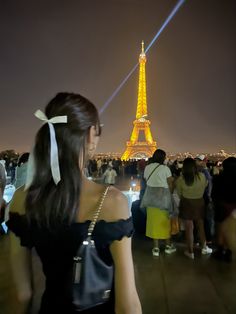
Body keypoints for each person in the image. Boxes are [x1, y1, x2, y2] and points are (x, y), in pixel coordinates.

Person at [7, 93, 142, 314]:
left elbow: (22, 294)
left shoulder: (21, 199)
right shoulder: (112, 202)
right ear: (90, 134)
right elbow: (128, 305)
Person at [176, 158, 212, 259]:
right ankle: (204, 247)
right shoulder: (201, 176)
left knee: (189, 228)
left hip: (186, 203)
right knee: (201, 226)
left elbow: (179, 193)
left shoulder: (181, 180)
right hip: (199, 203)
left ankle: (190, 251)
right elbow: (205, 186)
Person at [143, 149, 176, 257]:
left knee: (153, 222)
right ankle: (168, 246)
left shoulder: (147, 167)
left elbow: (145, 180)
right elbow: (170, 183)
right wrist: (170, 194)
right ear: (163, 158)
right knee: (165, 222)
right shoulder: (165, 168)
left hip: (150, 197)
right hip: (163, 198)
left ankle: (155, 248)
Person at [211, 157, 236, 262]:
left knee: (220, 228)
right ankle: (229, 251)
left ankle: (220, 250)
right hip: (234, 208)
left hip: (221, 206)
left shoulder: (218, 178)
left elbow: (214, 194)